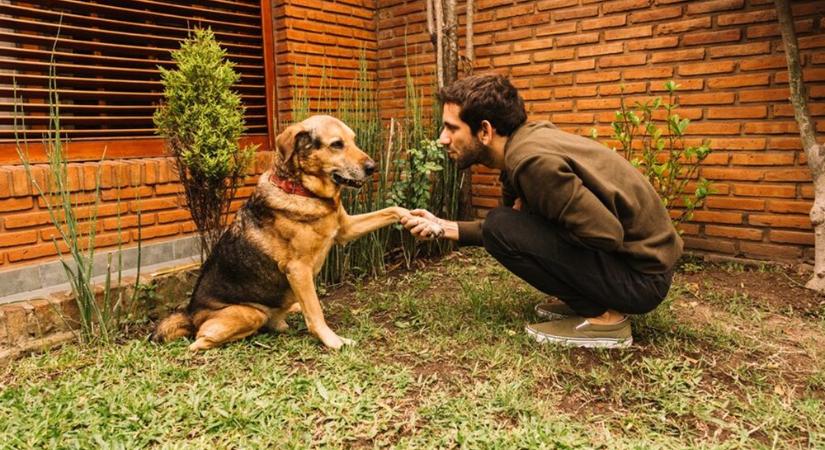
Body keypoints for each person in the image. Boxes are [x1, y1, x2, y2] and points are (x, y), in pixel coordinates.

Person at [401, 74, 683, 348]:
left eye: (451, 128)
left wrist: (534, 217)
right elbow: (509, 228)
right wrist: (443, 225)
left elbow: (605, 234)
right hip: (641, 269)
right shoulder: (524, 144)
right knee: (503, 223)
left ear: (485, 131)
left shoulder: (532, 162)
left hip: (641, 281)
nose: (442, 139)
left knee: (502, 224)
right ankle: (595, 301)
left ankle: (604, 319)